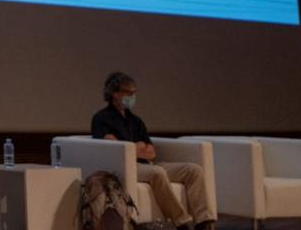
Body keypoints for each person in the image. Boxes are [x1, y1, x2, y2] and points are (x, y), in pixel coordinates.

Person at [91, 72, 215, 230]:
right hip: (125, 167)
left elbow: (151, 152)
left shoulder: (135, 120)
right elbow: (113, 147)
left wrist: (133, 148)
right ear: (115, 93)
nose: (133, 96)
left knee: (193, 170)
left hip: (147, 163)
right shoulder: (101, 118)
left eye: (134, 93)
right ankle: (181, 222)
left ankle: (204, 221)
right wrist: (137, 147)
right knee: (157, 172)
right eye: (129, 93)